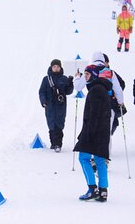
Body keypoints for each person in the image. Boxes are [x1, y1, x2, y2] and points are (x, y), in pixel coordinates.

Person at [74, 64, 112, 202]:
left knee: (83, 158)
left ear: (95, 75)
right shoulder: (103, 88)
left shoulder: (95, 90)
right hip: (103, 132)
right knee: (100, 160)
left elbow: (94, 114)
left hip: (93, 132)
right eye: (84, 74)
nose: (86, 77)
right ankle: (103, 191)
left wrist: (88, 133)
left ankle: (92, 189)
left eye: (88, 74)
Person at [38, 59, 74, 152]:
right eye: (54, 66)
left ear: (60, 67)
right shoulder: (46, 79)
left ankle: (58, 144)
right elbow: (42, 91)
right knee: (51, 125)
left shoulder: (64, 78)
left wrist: (70, 83)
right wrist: (43, 101)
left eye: (58, 66)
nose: (56, 68)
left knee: (60, 125)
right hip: (49, 106)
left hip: (61, 107)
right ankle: (53, 144)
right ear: (51, 67)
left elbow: (68, 92)